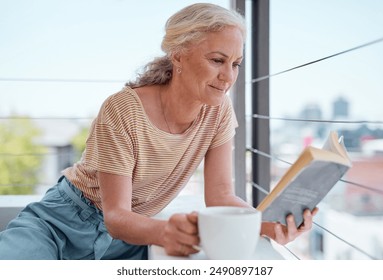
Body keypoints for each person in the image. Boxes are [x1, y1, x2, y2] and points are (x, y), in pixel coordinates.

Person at [0, 3, 316, 260]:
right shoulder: (123, 109)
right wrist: (165, 230)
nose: (228, 76)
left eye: (235, 63)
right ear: (178, 55)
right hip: (62, 222)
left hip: (130, 240)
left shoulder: (219, 110)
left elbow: (220, 196)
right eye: (217, 60)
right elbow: (116, 215)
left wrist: (265, 224)